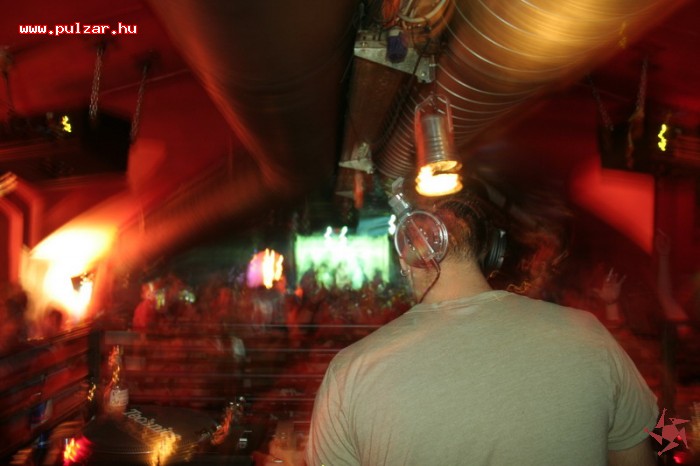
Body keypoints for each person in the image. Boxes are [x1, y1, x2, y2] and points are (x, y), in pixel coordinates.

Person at [305, 185, 659, 466]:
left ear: (408, 260)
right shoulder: (589, 335)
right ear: (491, 254)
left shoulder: (349, 373)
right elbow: (646, 450)